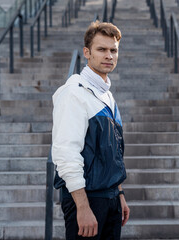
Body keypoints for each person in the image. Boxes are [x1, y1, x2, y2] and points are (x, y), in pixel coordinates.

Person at [51, 20, 130, 239]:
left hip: (111, 198)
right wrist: (83, 208)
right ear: (87, 52)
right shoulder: (74, 93)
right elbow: (65, 154)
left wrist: (119, 194)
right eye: (101, 49)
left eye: (113, 50)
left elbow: (113, 152)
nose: (109, 55)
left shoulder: (107, 95)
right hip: (87, 200)